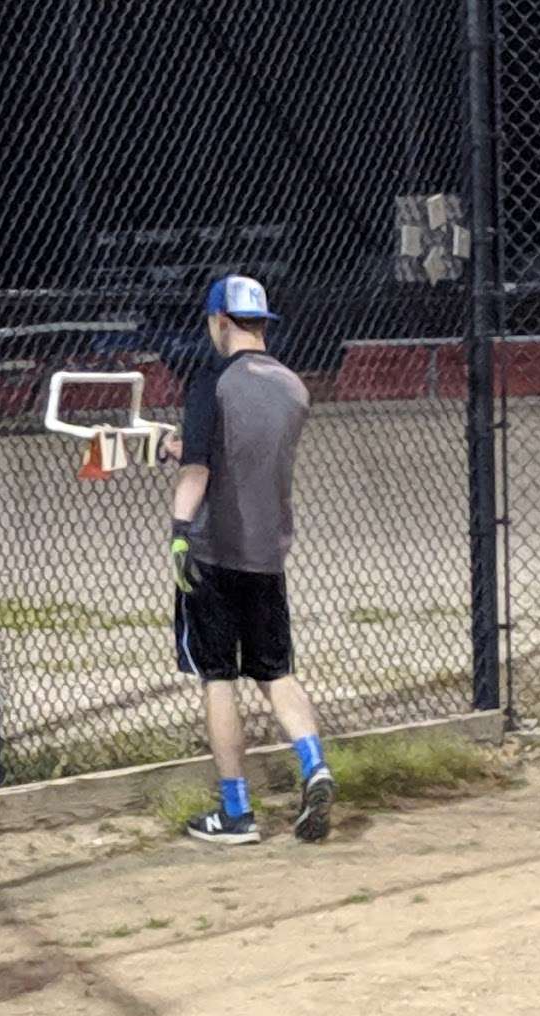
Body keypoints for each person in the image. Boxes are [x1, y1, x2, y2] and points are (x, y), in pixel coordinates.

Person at [167, 274, 334, 847]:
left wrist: (179, 531)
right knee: (277, 673)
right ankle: (315, 765)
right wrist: (186, 444)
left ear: (219, 321)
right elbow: (245, 449)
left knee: (218, 679)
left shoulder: (211, 383)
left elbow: (200, 472)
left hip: (215, 552)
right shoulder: (293, 388)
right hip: (267, 553)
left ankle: (236, 811)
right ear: (263, 324)